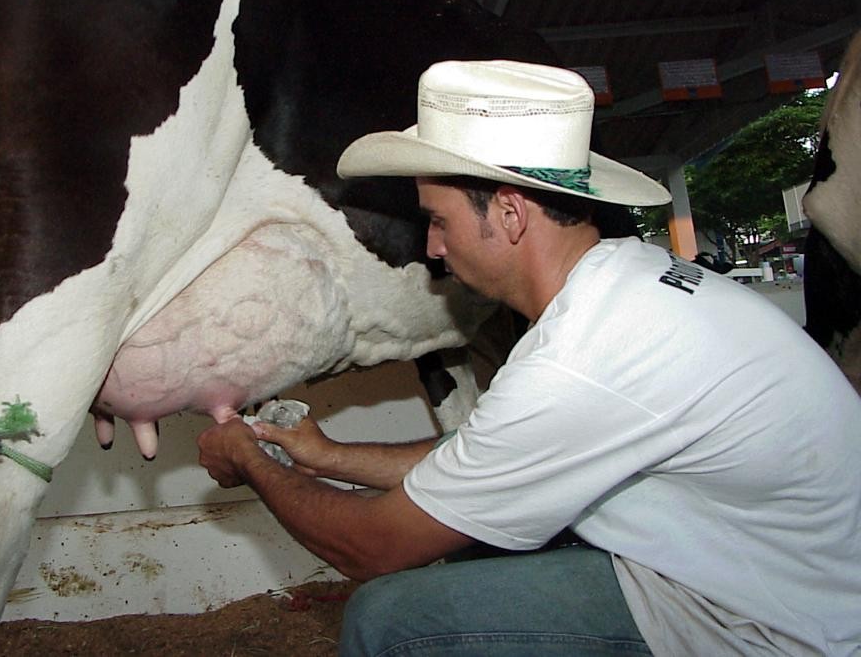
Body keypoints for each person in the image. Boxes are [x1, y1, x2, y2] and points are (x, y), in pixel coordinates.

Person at [197, 60, 861, 656]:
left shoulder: (581, 357)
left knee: (390, 619)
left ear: (511, 215)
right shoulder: (625, 285)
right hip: (746, 585)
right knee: (469, 538)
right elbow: (479, 458)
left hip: (774, 632)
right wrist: (325, 456)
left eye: (440, 220)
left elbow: (371, 547)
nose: (432, 248)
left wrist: (252, 462)